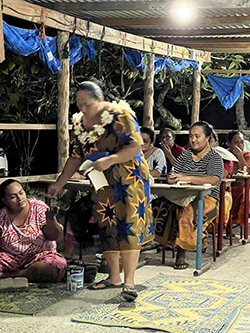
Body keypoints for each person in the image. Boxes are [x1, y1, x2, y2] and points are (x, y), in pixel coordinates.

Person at [47, 79, 154, 301]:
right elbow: (75, 157)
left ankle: (129, 282)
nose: (83, 109)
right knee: (106, 226)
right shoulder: (80, 124)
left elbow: (135, 147)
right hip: (101, 182)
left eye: (87, 104)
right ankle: (113, 277)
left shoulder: (121, 116)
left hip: (129, 180)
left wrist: (112, 159)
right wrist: (60, 183)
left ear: (101, 100)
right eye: (80, 105)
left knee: (129, 226)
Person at [152, 121, 223, 269]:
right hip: (182, 196)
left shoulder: (214, 157)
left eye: (197, 136)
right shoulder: (185, 156)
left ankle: (181, 254)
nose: (193, 140)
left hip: (207, 199)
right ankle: (152, 241)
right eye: (191, 136)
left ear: (208, 138)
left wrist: (187, 177)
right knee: (158, 205)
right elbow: (172, 174)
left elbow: (214, 180)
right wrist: (170, 178)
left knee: (186, 212)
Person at [0, 179, 67, 282]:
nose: (20, 198)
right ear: (5, 200)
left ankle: (15, 274)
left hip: (41, 256)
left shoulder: (38, 208)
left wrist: (51, 219)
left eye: (21, 193)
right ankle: (26, 274)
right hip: (11, 259)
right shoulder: (2, 216)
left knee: (52, 269)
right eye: (13, 197)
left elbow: (53, 236)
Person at [226, 130, 250, 226]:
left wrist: (240, 155)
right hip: (228, 185)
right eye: (236, 142)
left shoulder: (247, 155)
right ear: (228, 144)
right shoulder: (225, 156)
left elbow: (247, 172)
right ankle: (225, 224)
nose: (240, 145)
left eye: (242, 142)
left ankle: (236, 221)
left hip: (244, 185)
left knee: (246, 194)